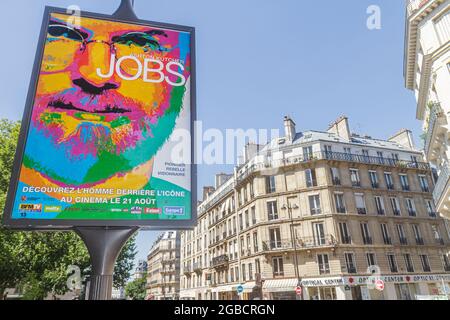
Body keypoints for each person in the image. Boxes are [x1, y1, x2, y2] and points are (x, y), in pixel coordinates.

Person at [14, 13, 191, 220]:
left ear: (185, 70)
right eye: (62, 33)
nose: (96, 76)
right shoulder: (179, 206)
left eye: (140, 43)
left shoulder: (181, 206)